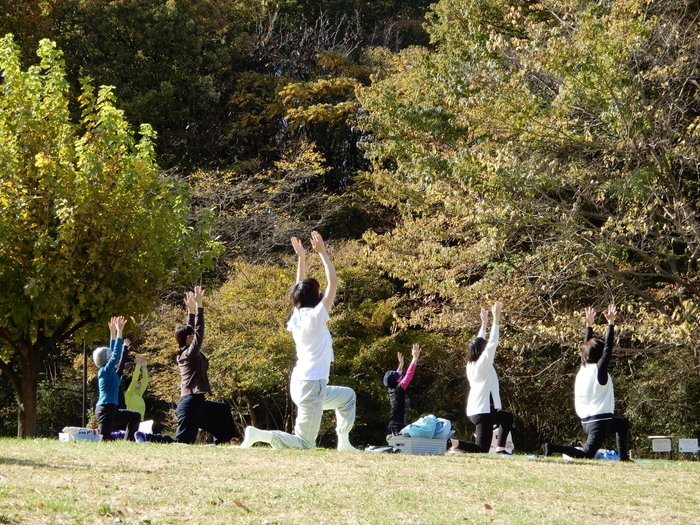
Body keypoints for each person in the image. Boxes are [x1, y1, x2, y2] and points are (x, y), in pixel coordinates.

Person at [240, 231, 357, 452]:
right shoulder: (316, 318)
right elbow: (333, 281)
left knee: (347, 397)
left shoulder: (298, 316)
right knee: (305, 444)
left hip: (306, 384)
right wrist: (322, 253)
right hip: (312, 386)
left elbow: (299, 287)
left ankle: (344, 443)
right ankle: (259, 435)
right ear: (315, 297)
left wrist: (302, 258)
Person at [544, 304, 630, 460]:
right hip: (599, 421)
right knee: (587, 454)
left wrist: (589, 325)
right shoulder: (599, 370)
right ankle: (553, 447)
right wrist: (611, 323)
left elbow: (586, 348)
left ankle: (624, 457)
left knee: (623, 423)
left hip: (588, 422)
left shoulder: (583, 368)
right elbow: (608, 348)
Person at [449, 301, 513, 453]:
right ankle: (452, 442)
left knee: (507, 418)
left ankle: (500, 449)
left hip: (482, 410)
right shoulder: (483, 365)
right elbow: (492, 343)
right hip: (483, 413)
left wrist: (484, 324)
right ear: (481, 352)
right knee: (480, 450)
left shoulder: (471, 364)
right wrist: (496, 319)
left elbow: (479, 343)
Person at [174, 285, 235, 444]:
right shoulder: (189, 354)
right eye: (191, 336)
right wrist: (200, 307)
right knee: (181, 443)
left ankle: (228, 439)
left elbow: (191, 330)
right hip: (190, 403)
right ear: (188, 339)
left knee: (222, 410)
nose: (193, 337)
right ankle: (147, 437)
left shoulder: (186, 350)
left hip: (197, 401)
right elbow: (198, 333)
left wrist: (191, 311)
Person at [93, 316, 142, 441]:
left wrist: (113, 333)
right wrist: (120, 332)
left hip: (113, 409)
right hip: (105, 410)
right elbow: (115, 354)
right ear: (106, 359)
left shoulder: (111, 370)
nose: (111, 355)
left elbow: (112, 351)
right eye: (108, 355)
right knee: (103, 440)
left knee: (135, 417)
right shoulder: (105, 370)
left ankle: (129, 441)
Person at [384, 344, 421, 435]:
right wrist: (415, 358)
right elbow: (408, 375)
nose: (401, 375)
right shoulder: (398, 389)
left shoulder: (393, 389)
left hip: (396, 425)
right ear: (398, 380)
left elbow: (396, 377)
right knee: (397, 448)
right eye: (399, 376)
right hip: (397, 426)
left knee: (398, 448)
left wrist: (401, 365)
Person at [125, 354, 149, 420]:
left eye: (139, 381)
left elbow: (145, 381)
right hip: (130, 421)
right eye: (137, 382)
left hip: (140, 422)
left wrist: (144, 368)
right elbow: (134, 380)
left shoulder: (139, 395)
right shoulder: (129, 394)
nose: (139, 382)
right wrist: (138, 365)